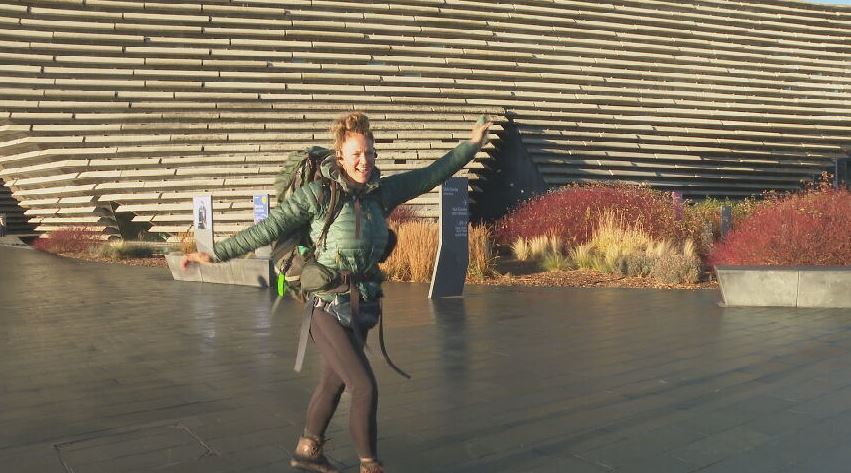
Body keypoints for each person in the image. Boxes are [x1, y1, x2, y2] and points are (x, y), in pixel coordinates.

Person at [181, 112, 492, 473]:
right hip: (326, 307)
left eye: (370, 153)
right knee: (363, 386)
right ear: (340, 157)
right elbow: (268, 228)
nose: (365, 161)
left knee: (333, 383)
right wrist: (214, 253)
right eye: (357, 154)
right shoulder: (319, 195)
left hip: (362, 306)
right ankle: (369, 465)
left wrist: (472, 144)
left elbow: (431, 174)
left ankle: (307, 451)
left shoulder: (381, 193)